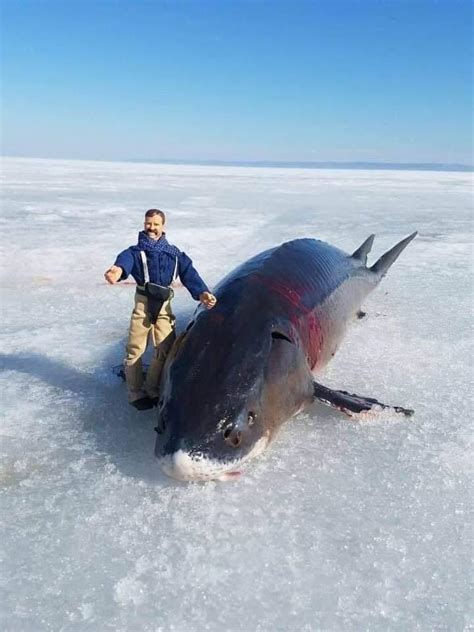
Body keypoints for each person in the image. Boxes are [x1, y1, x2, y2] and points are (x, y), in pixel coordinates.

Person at [104, 209, 216, 410]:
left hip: (164, 303)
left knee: (165, 347)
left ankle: (152, 387)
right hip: (143, 302)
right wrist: (117, 271)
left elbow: (190, 275)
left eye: (155, 224)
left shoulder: (175, 255)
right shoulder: (135, 252)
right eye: (148, 223)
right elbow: (124, 263)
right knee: (135, 348)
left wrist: (203, 293)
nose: (151, 228)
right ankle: (135, 392)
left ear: (163, 226)